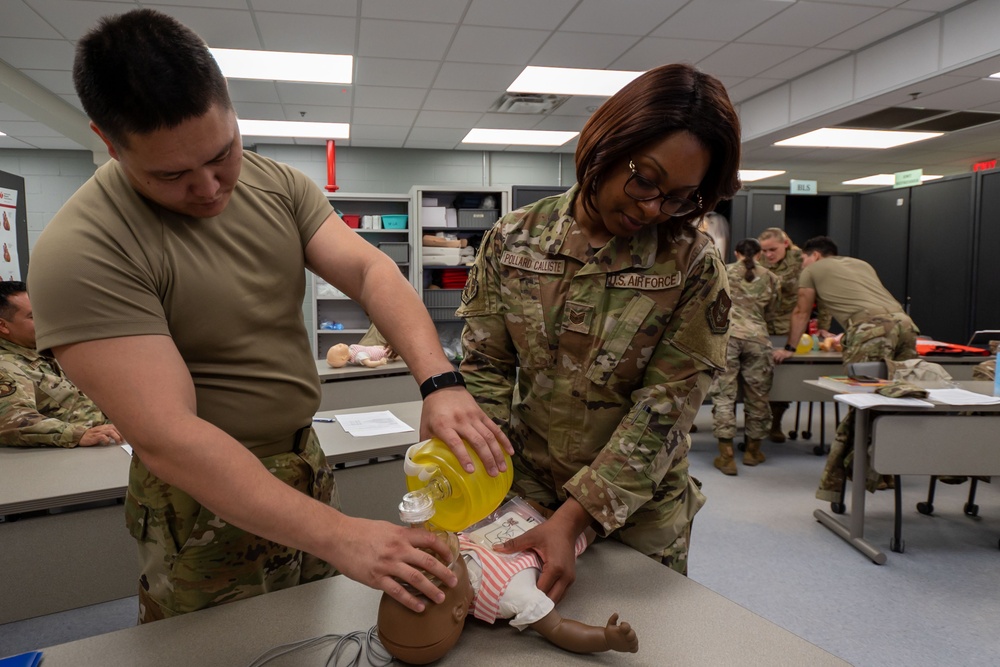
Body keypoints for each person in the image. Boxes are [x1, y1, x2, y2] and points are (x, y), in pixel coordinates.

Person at [26, 8, 511, 623]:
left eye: (221, 153)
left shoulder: (275, 185)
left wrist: (438, 381)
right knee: (217, 648)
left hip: (305, 462)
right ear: (108, 142)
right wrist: (340, 535)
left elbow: (369, 271)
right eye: (170, 174)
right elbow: (169, 437)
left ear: (230, 108)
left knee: (312, 629)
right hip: (201, 500)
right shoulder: (84, 248)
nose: (208, 188)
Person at [456, 62, 742, 602]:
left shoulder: (691, 262)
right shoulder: (516, 239)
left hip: (637, 514)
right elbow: (486, 372)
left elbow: (664, 411)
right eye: (645, 179)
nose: (653, 208)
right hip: (524, 496)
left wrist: (574, 519)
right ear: (607, 145)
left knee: (640, 643)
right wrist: (482, 487)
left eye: (680, 197)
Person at [772, 236, 920, 500]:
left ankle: (854, 474)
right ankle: (887, 470)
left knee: (863, 402)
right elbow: (856, 299)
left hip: (870, 329)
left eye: (804, 258)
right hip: (906, 325)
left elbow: (801, 311)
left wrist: (790, 348)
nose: (803, 263)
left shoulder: (811, 269)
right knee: (898, 399)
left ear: (814, 255)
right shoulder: (860, 264)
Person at [0, 281, 122, 448]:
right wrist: (77, 435)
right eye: (33, 316)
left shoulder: (45, 350)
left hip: (109, 436)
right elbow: (13, 420)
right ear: (3, 325)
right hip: (74, 452)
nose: (47, 322)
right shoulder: (6, 366)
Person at [709, 239, 780, 475]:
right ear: (759, 254)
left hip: (726, 338)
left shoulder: (724, 271)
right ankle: (752, 451)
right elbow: (772, 311)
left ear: (736, 253)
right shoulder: (771, 277)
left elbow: (710, 304)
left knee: (723, 396)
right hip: (758, 339)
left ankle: (726, 455)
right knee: (758, 396)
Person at [757, 227, 831, 443]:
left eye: (773, 249)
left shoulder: (802, 261)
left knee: (782, 380)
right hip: (759, 326)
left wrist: (823, 327)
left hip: (788, 327)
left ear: (785, 244)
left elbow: (822, 296)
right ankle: (753, 424)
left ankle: (775, 423)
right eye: (765, 250)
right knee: (753, 378)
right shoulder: (758, 261)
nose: (768, 254)